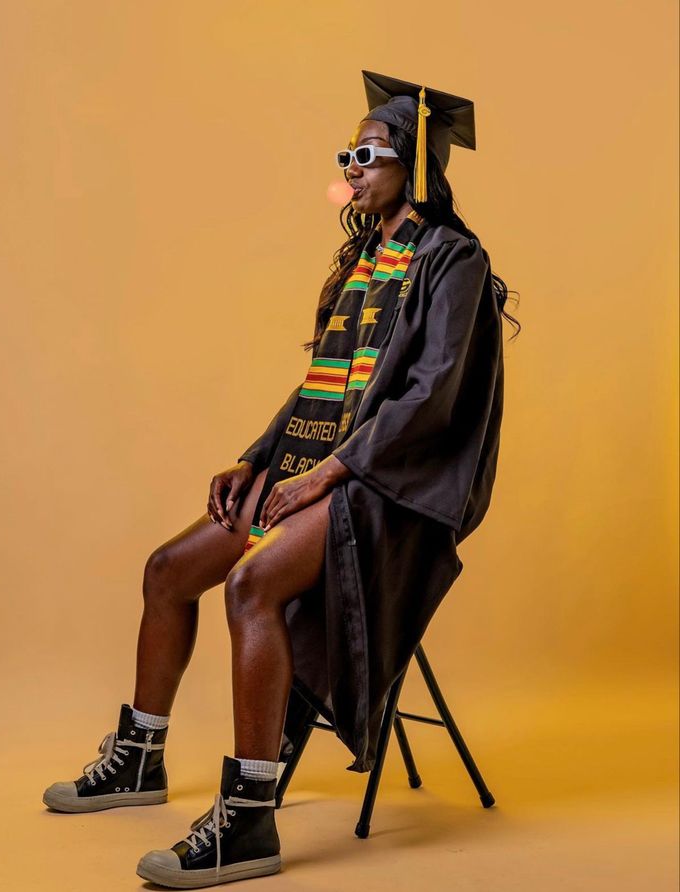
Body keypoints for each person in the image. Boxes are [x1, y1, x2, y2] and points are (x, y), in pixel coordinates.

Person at [43, 69, 519, 889]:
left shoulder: (455, 260)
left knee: (251, 586)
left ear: (415, 163)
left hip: (390, 490)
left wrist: (332, 472)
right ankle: (139, 757)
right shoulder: (366, 256)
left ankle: (250, 817)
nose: (353, 167)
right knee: (168, 571)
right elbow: (323, 383)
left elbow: (428, 397)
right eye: (349, 154)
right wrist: (262, 457)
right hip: (315, 466)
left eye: (368, 153)